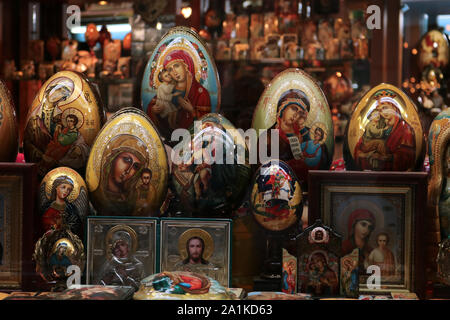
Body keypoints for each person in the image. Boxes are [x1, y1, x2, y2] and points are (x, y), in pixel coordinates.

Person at [146, 49, 211, 138]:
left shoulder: (201, 93)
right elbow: (151, 108)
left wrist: (192, 111)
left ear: (186, 66)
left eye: (176, 66)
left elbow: (206, 124)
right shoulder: (168, 90)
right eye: (170, 69)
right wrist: (153, 110)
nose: (174, 72)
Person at [354, 90, 416, 171]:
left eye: (385, 108)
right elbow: (359, 148)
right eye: (380, 110)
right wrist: (366, 155)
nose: (383, 112)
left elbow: (408, 157)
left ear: (394, 107)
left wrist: (386, 158)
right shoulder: (378, 126)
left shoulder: (405, 129)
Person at [94, 134, 149, 215]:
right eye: (126, 160)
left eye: (135, 166)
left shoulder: (134, 200)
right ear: (112, 159)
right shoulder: (96, 196)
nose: (128, 170)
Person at [24, 78, 74, 162]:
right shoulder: (34, 118)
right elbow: (28, 143)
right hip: (38, 164)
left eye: (62, 93)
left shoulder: (61, 118)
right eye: (58, 90)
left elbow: (69, 140)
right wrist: (42, 156)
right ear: (48, 90)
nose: (57, 95)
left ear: (63, 99)